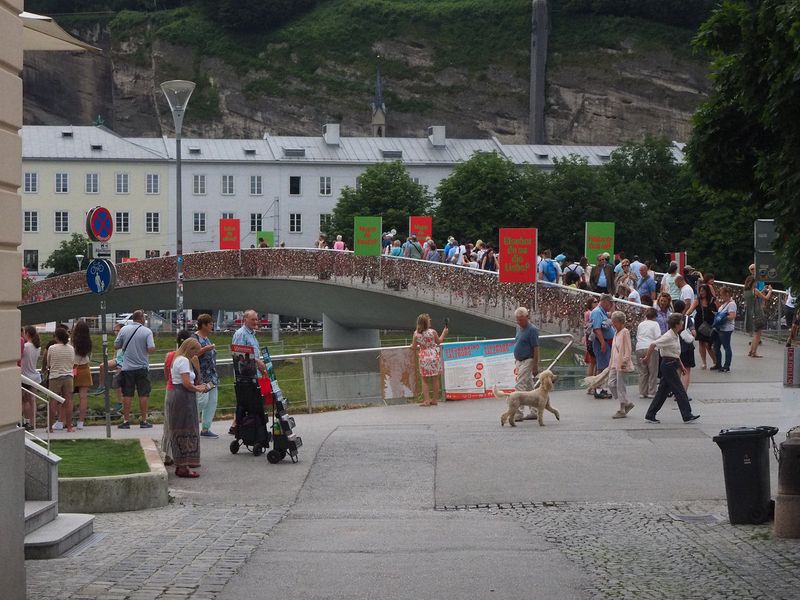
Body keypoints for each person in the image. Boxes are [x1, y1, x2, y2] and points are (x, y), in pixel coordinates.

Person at [642, 313, 700, 424]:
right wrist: (646, 358)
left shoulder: (676, 334)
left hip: (672, 363)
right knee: (679, 390)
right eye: (681, 321)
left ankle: (650, 414)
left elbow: (675, 353)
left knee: (662, 392)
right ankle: (687, 415)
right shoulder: (668, 335)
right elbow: (653, 344)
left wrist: (682, 366)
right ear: (677, 324)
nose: (683, 323)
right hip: (668, 364)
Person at [166, 338, 210, 478]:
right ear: (190, 349)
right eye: (195, 350)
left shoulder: (177, 358)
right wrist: (198, 388)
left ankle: (181, 463)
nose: (196, 354)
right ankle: (184, 465)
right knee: (187, 426)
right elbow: (186, 383)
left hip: (178, 394)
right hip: (183, 396)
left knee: (180, 427)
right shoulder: (184, 360)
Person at [114, 310, 156, 428]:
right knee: (143, 394)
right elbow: (151, 349)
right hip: (142, 367)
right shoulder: (147, 331)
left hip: (127, 368)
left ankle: (126, 421)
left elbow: (116, 345)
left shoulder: (124, 330)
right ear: (141, 318)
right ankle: (144, 420)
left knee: (127, 395)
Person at [231, 309, 268, 434]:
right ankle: (241, 427)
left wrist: (261, 367)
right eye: (252, 319)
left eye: (256, 319)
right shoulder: (241, 334)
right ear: (245, 320)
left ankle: (249, 428)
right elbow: (240, 355)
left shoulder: (252, 334)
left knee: (253, 402)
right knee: (246, 401)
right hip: (245, 376)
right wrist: (257, 362)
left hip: (254, 374)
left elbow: (252, 353)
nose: (255, 322)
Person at [163, 330, 193, 466]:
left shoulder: (170, 356)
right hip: (181, 392)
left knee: (168, 425)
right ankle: (181, 454)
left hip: (169, 389)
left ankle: (165, 453)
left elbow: (165, 373)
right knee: (180, 425)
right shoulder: (186, 359)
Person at [411, 314, 447, 406]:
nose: (430, 321)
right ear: (426, 323)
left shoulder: (416, 334)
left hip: (424, 356)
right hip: (434, 355)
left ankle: (426, 400)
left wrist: (412, 346)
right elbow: (438, 341)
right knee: (435, 379)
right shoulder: (433, 332)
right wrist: (444, 333)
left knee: (424, 380)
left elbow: (414, 347)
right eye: (429, 320)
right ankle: (435, 399)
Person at [194, 314, 220, 438]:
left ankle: (205, 428)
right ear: (203, 325)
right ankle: (189, 422)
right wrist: (205, 349)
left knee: (212, 402)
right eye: (210, 324)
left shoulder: (207, 338)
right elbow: (192, 355)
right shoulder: (195, 338)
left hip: (212, 376)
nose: (212, 326)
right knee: (202, 401)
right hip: (202, 376)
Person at [512, 307, 540, 420]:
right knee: (529, 387)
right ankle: (535, 411)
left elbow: (536, 348)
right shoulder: (518, 328)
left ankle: (518, 412)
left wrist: (535, 365)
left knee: (520, 385)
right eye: (517, 320)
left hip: (528, 359)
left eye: (521, 320)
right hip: (520, 360)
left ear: (527, 318)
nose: (519, 322)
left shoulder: (532, 330)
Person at [46, 327, 75, 432]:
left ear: (56, 337)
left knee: (53, 401)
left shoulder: (52, 348)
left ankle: (50, 427)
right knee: (68, 401)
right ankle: (69, 426)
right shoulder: (71, 348)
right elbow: (73, 362)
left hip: (55, 376)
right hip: (68, 376)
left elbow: (49, 363)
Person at [608, 311, 635, 419]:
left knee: (620, 386)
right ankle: (626, 403)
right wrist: (610, 363)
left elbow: (628, 348)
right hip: (614, 363)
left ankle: (622, 408)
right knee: (611, 383)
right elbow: (614, 350)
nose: (613, 324)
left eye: (614, 322)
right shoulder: (616, 333)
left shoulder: (625, 332)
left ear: (619, 322)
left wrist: (625, 361)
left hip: (621, 363)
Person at [590, 294, 615, 399]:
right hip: (601, 342)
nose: (611, 306)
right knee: (601, 366)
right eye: (610, 304)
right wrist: (602, 343)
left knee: (604, 366)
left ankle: (602, 388)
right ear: (604, 302)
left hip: (605, 341)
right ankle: (598, 389)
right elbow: (597, 328)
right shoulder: (597, 312)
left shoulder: (602, 312)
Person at [71, 320, 93, 430]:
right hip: (85, 368)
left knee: (68, 396)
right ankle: (81, 422)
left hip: (74, 368)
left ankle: (65, 421)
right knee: (83, 397)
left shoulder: (72, 342)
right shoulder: (89, 342)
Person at [743, 275, 772, 357]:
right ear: (753, 283)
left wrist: (763, 289)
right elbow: (765, 298)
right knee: (757, 334)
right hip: (757, 313)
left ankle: (751, 350)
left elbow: (755, 296)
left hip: (750, 313)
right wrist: (770, 291)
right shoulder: (755, 290)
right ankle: (754, 352)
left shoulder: (746, 291)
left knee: (755, 333)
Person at [635, 307, 661, 399]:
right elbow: (658, 337)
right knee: (652, 371)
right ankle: (651, 392)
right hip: (651, 348)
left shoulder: (641, 324)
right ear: (655, 316)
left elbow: (638, 336)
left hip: (639, 347)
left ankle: (642, 392)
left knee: (643, 371)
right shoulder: (655, 324)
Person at [690, 284, 718, 370]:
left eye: (703, 291)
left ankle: (715, 361)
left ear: (707, 291)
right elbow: (690, 310)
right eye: (700, 291)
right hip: (699, 324)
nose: (701, 293)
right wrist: (683, 316)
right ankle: (704, 362)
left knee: (708, 344)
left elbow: (719, 310)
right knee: (701, 342)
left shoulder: (713, 300)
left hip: (709, 324)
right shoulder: (697, 300)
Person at [711, 286, 737, 372]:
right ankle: (718, 364)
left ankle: (726, 365)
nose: (721, 296)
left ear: (727, 294)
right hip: (720, 328)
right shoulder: (725, 303)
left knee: (726, 346)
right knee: (716, 346)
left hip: (726, 328)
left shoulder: (731, 304)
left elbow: (732, 316)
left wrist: (723, 317)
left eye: (722, 295)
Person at [672, 300, 696, 392]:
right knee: (686, 370)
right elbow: (693, 332)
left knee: (677, 370)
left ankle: (675, 391)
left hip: (675, 347)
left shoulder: (672, 318)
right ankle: (683, 392)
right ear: (684, 308)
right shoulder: (687, 319)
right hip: (687, 348)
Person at [20, 325, 41, 431]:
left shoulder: (26, 346)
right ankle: (33, 423)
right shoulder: (38, 347)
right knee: (33, 400)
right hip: (35, 376)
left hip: (25, 376)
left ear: (27, 333)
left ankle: (26, 421)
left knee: (25, 401)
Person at [582, 297, 599, 395]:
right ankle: (591, 386)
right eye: (595, 302)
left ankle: (591, 386)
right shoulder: (590, 313)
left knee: (592, 363)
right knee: (593, 363)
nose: (597, 303)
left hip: (588, 340)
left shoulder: (588, 313)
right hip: (591, 341)